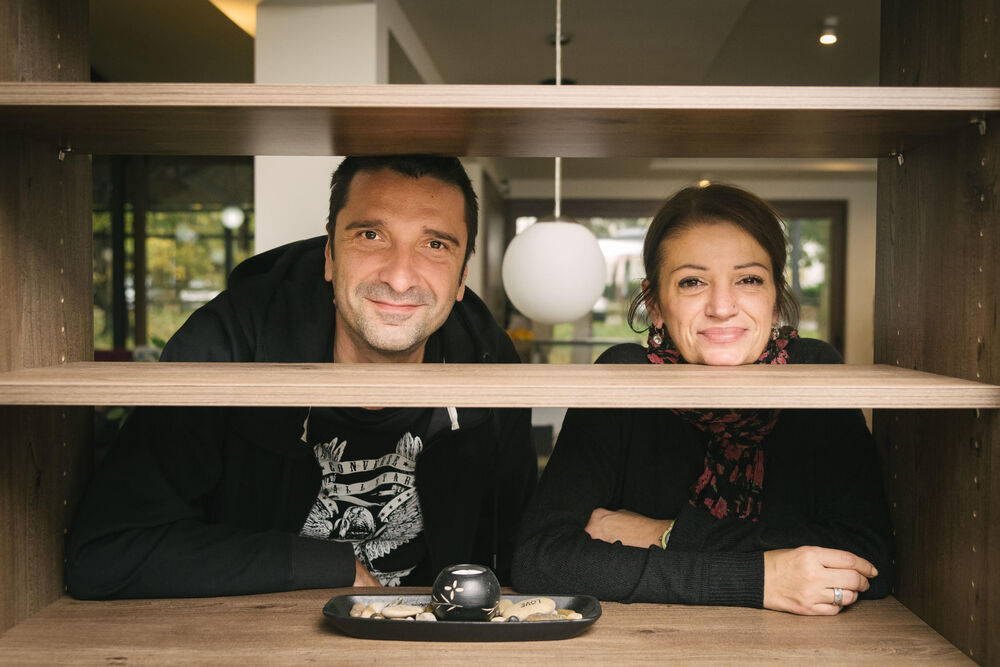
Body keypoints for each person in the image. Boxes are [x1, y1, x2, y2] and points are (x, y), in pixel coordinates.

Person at [67, 155, 537, 598]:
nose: (399, 277)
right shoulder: (229, 345)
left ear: (461, 278)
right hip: (254, 636)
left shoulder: (487, 362)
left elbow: (514, 550)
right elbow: (105, 553)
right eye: (371, 235)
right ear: (330, 256)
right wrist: (329, 567)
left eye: (434, 245)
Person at [512, 184, 892, 615]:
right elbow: (539, 559)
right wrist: (760, 578)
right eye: (692, 282)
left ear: (775, 298)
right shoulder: (624, 376)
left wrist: (666, 535)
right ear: (655, 304)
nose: (722, 306)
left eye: (749, 280)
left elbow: (869, 558)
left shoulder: (813, 370)